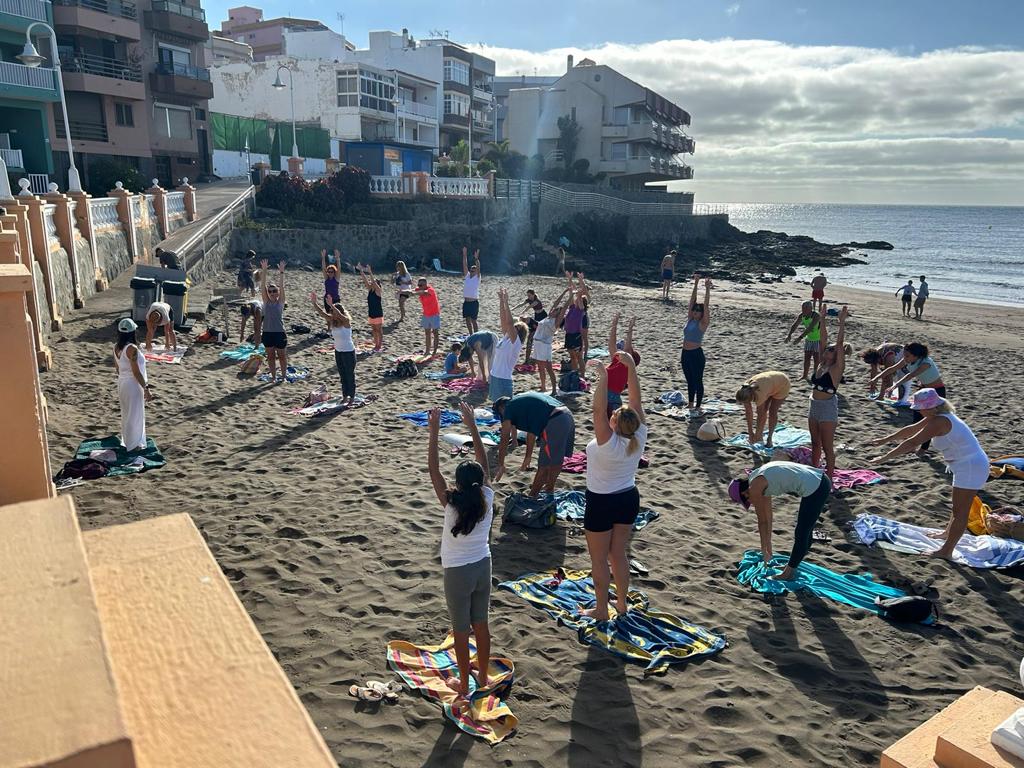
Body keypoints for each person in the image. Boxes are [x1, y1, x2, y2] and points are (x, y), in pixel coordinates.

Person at [426, 402, 494, 710]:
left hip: (457, 572)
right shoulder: (487, 496)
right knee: (481, 623)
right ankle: (484, 677)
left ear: (460, 484)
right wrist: (473, 427)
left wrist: (434, 432)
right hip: (483, 566)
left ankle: (465, 684)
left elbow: (434, 470)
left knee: (461, 630)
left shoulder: (451, 503)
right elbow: (483, 464)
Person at [867, 389, 988, 559]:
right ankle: (947, 533)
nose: (918, 411)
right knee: (957, 507)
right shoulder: (938, 416)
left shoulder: (939, 421)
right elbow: (911, 430)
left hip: (970, 467)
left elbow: (913, 442)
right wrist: (885, 440)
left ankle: (946, 551)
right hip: (966, 465)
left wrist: (885, 457)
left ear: (932, 408)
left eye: (920, 408)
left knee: (961, 511)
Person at [581, 352, 648, 621]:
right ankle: (621, 604)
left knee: (599, 559)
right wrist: (631, 367)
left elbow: (598, 410)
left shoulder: (608, 441)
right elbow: (636, 401)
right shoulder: (639, 435)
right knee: (618, 553)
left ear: (614, 423)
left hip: (601, 501)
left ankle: (601, 610)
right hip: (628, 498)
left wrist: (604, 377)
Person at [728, 461, 832, 581]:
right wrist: (768, 547)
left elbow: (762, 521)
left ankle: (788, 573)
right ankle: (791, 566)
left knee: (802, 533)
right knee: (805, 532)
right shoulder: (757, 478)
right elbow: (768, 516)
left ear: (744, 493)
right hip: (820, 480)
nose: (750, 502)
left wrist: (763, 550)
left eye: (747, 500)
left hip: (817, 487)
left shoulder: (754, 489)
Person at [493, 392, 575, 497]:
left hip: (555, 420)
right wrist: (528, 457)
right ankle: (549, 489)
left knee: (544, 465)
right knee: (555, 460)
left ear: (501, 408)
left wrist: (501, 464)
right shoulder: (520, 403)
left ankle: (533, 495)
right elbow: (531, 433)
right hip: (567, 415)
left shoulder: (508, 408)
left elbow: (505, 438)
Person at [871, 341, 947, 450]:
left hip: (937, 391)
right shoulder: (907, 359)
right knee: (916, 419)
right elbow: (892, 369)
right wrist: (876, 378)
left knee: (930, 421)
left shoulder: (925, 363)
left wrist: (895, 385)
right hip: (924, 390)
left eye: (907, 356)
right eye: (904, 355)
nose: (905, 358)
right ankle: (913, 444)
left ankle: (923, 449)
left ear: (916, 356)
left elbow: (911, 375)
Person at [808, 305, 850, 477]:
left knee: (827, 447)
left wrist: (841, 323)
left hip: (827, 408)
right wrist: (822, 319)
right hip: (813, 405)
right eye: (827, 349)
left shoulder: (836, 369)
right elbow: (822, 339)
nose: (827, 350)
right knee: (815, 443)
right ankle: (814, 472)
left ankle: (829, 479)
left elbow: (839, 344)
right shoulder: (821, 363)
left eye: (831, 350)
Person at [310, 291, 356, 405]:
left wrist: (332, 305)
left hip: (348, 352)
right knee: (342, 375)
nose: (333, 314)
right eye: (332, 312)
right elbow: (321, 313)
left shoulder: (346, 321)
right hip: (338, 352)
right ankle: (345, 396)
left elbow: (340, 316)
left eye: (334, 312)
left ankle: (352, 397)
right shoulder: (333, 321)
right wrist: (314, 303)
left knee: (349, 375)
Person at [114, 318, 152, 451]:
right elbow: (136, 372)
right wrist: (146, 388)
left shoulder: (116, 347)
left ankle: (128, 440)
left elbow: (118, 369)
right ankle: (134, 444)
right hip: (132, 384)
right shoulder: (132, 349)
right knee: (135, 415)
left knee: (127, 413)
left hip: (122, 382)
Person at [488, 288, 528, 401]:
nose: (513, 328)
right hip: (495, 376)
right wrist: (501, 301)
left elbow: (509, 323)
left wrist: (506, 302)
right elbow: (504, 320)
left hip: (503, 379)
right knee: (495, 406)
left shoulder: (516, 343)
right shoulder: (506, 338)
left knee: (504, 409)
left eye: (516, 328)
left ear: (519, 333)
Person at [681, 276, 712, 415]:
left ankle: (698, 405)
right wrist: (695, 284)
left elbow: (706, 305)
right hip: (685, 353)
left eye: (698, 311)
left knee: (697, 380)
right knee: (689, 380)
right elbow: (691, 301)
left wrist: (707, 288)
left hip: (696, 354)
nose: (695, 312)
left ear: (702, 313)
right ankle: (690, 403)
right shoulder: (690, 319)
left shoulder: (703, 323)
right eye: (694, 310)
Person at [736, 371, 791, 448]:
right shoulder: (744, 390)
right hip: (769, 384)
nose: (746, 404)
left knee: (772, 411)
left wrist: (757, 435)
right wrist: (750, 433)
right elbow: (748, 412)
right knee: (764, 410)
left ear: (752, 396)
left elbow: (760, 415)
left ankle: (769, 438)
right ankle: (759, 436)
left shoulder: (759, 394)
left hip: (782, 383)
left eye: (747, 402)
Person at [533, 288, 571, 396]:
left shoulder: (556, 322)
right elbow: (555, 303)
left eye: (556, 311)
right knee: (540, 367)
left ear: (558, 314)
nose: (553, 310)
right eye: (554, 310)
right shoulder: (548, 317)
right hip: (537, 343)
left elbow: (564, 308)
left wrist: (571, 296)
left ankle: (554, 389)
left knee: (549, 368)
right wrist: (564, 292)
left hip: (544, 345)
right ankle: (543, 386)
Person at [606, 313, 641, 418]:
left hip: (612, 399)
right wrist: (614, 325)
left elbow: (627, 348)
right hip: (606, 396)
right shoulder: (616, 362)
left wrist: (630, 329)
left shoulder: (626, 366)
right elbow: (611, 345)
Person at [259, 259, 289, 382]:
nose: (272, 293)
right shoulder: (266, 302)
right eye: (270, 291)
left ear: (277, 293)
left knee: (282, 356)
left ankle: (283, 376)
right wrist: (264, 271)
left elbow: (282, 287)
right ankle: (273, 377)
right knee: (270, 357)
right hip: (267, 333)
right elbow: (262, 286)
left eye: (274, 291)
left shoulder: (280, 302)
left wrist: (281, 273)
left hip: (279, 332)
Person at [785, 301, 822, 380]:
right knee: (807, 357)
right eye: (802, 308)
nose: (803, 310)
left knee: (816, 359)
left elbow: (810, 328)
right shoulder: (802, 315)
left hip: (818, 339)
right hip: (809, 339)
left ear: (811, 308)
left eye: (805, 308)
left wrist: (800, 338)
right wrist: (789, 335)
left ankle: (815, 376)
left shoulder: (816, 315)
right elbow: (795, 325)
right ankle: (805, 376)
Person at [562, 272, 587, 378]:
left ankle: (582, 375)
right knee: (572, 356)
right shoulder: (572, 307)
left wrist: (581, 280)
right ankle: (574, 374)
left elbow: (580, 294)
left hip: (576, 335)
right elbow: (571, 292)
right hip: (568, 334)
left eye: (578, 299)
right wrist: (570, 279)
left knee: (579, 357)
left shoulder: (580, 310)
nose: (576, 300)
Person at [514, 289, 547, 363]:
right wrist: (514, 308)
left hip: (542, 315)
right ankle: (528, 359)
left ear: (533, 294)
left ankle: (537, 357)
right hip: (537, 315)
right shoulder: (529, 300)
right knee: (532, 336)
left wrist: (522, 312)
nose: (528, 297)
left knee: (538, 333)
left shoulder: (536, 301)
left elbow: (528, 307)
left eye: (529, 295)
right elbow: (522, 304)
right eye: (527, 295)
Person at [357, 263, 385, 351]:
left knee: (378, 330)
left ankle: (379, 345)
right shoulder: (370, 290)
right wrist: (361, 270)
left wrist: (370, 272)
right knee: (374, 329)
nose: (371, 282)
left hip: (378, 313)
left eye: (374, 282)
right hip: (371, 312)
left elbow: (373, 281)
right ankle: (376, 344)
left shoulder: (378, 291)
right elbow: (365, 280)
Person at [412, 277, 441, 357]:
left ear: (425, 285)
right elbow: (411, 291)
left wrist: (414, 292)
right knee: (427, 333)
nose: (419, 286)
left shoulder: (430, 290)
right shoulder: (419, 289)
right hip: (426, 314)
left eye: (421, 285)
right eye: (419, 285)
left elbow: (424, 292)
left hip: (434, 314)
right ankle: (427, 351)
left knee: (435, 333)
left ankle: (434, 351)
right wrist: (402, 291)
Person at [462, 247, 481, 335]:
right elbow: (465, 265)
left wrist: (476, 259)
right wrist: (464, 255)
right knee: (467, 320)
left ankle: (476, 335)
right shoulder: (467, 276)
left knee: (474, 320)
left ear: (476, 271)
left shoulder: (477, 278)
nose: (472, 271)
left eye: (474, 270)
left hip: (474, 303)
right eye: (471, 270)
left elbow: (478, 267)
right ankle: (471, 334)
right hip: (466, 302)